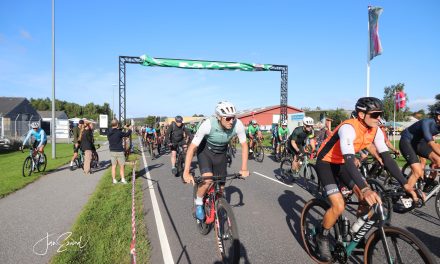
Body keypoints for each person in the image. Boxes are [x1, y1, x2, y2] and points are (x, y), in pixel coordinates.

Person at [314, 97, 417, 261]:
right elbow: (349, 159)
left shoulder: (375, 130)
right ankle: (322, 235)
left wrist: (406, 184)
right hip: (326, 163)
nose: (379, 118)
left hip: (342, 164)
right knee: (339, 205)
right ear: (361, 114)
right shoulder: (348, 127)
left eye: (380, 114)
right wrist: (365, 188)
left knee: (368, 201)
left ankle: (356, 233)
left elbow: (387, 158)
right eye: (375, 115)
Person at [182, 101, 249, 220]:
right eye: (227, 118)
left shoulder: (237, 124)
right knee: (208, 180)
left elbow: (244, 145)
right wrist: (186, 172)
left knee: (221, 189)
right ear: (219, 117)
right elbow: (192, 148)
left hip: (221, 153)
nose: (231, 121)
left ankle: (216, 205)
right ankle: (198, 203)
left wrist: (244, 168)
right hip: (205, 152)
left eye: (233, 117)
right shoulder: (208, 125)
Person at [399, 107, 440, 194]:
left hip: (420, 143)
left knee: (438, 161)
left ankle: (428, 183)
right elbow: (431, 144)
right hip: (407, 142)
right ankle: (406, 194)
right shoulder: (427, 122)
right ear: (439, 117)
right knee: (417, 171)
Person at [107, 119, 132, 184]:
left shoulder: (109, 132)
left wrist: (122, 127)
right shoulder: (119, 132)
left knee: (113, 166)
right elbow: (127, 134)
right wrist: (129, 129)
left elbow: (114, 130)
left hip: (112, 150)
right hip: (119, 151)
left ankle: (114, 180)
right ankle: (123, 179)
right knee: (122, 165)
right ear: (117, 124)